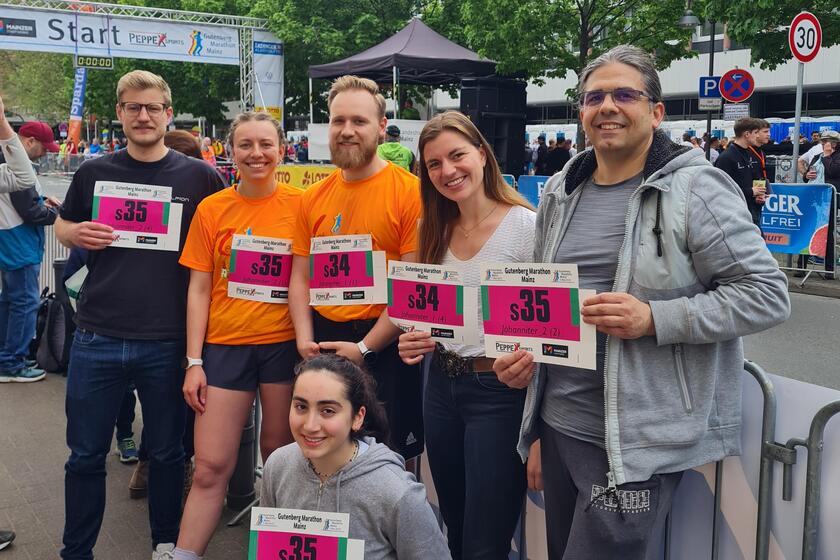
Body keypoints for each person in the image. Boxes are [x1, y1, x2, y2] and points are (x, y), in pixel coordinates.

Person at [492, 45, 790, 560]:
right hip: (561, 426)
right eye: (594, 96)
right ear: (581, 112)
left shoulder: (698, 188)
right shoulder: (563, 187)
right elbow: (541, 298)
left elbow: (766, 294)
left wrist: (655, 317)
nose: (607, 105)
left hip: (634, 443)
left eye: (624, 94)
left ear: (655, 112)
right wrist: (524, 368)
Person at [55, 70, 226, 560]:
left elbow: (225, 239)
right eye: (133, 107)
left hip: (169, 341)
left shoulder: (201, 177)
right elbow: (65, 224)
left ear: (168, 113)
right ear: (120, 115)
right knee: (84, 455)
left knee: (169, 454)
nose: (143, 116)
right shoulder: (94, 171)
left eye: (152, 107)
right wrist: (73, 235)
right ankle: (76, 552)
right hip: (97, 337)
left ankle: (165, 546)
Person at [397, 111, 536, 559]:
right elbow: (424, 315)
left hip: (500, 392)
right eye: (434, 164)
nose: (447, 171)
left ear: (482, 153)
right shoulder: (433, 229)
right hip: (441, 386)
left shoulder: (527, 226)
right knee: (454, 525)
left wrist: (541, 432)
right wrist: (413, 338)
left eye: (457, 156)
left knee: (485, 541)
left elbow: (554, 326)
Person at [173, 112, 301, 559]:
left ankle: (277, 549)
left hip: (283, 346)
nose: (257, 154)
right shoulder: (213, 209)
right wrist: (194, 361)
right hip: (225, 347)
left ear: (282, 149)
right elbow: (199, 288)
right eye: (245, 145)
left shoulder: (302, 205)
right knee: (210, 467)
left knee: (281, 458)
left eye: (266, 144)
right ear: (229, 151)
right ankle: (185, 553)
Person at [288, 75, 425, 462]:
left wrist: (365, 347)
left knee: (390, 462)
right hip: (325, 342)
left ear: (382, 128)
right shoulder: (312, 198)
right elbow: (300, 277)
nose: (347, 131)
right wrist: (304, 339)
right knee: (324, 457)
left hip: (385, 344)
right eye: (338, 121)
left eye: (359, 122)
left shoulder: (409, 192)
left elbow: (409, 287)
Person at [259, 354, 451, 560]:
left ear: (357, 417)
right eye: (301, 407)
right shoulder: (278, 465)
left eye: (328, 411)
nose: (310, 425)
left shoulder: (398, 493)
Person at [0, 116, 60, 383]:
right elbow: (31, 212)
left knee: (11, 301)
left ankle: (7, 356)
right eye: (44, 146)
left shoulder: (9, 164)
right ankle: (13, 362)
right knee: (25, 302)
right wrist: (58, 213)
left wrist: (43, 202)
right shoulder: (15, 167)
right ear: (28, 141)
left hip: (11, 241)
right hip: (20, 243)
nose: (46, 151)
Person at [714, 117, 771, 228]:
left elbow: (750, 179)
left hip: (751, 209)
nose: (758, 135)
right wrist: (751, 192)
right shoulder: (726, 157)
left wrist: (759, 194)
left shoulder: (750, 153)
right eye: (755, 132)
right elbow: (720, 190)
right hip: (734, 215)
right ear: (747, 134)